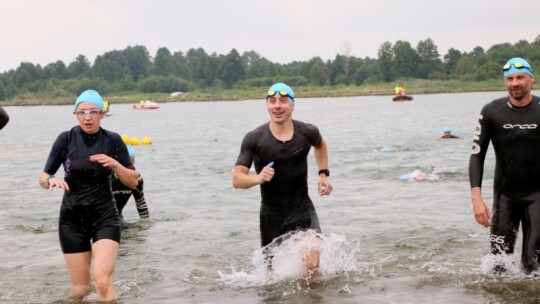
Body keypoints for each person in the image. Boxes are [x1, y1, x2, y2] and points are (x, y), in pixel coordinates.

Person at [39, 89, 139, 301]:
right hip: (71, 219)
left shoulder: (113, 140)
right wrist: (50, 181)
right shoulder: (65, 139)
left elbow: (133, 180)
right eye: (82, 112)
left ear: (102, 113)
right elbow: (43, 176)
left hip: (105, 216)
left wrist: (115, 164)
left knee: (102, 283)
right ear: (75, 114)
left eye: (93, 111)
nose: (87, 117)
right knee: (79, 290)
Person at [232, 82, 333, 279]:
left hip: (302, 208)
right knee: (270, 278)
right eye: (272, 101)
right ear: (267, 105)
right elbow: (237, 178)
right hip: (272, 215)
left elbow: (320, 145)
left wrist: (323, 174)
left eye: (283, 101)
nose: (277, 105)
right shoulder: (254, 139)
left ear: (292, 105)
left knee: (312, 263)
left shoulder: (307, 132)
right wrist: (257, 178)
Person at [469, 57, 540, 274]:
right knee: (498, 266)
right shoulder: (492, 111)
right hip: (505, 198)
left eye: (520, 77)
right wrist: (477, 200)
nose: (515, 83)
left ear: (531, 78)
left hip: (538, 196)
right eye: (509, 78)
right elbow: (476, 156)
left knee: (532, 265)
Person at [112, 145, 149, 222]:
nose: (129, 164)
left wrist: (146, 224)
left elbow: (141, 204)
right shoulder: (106, 178)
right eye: (125, 161)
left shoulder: (137, 180)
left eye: (132, 161)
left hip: (119, 219)